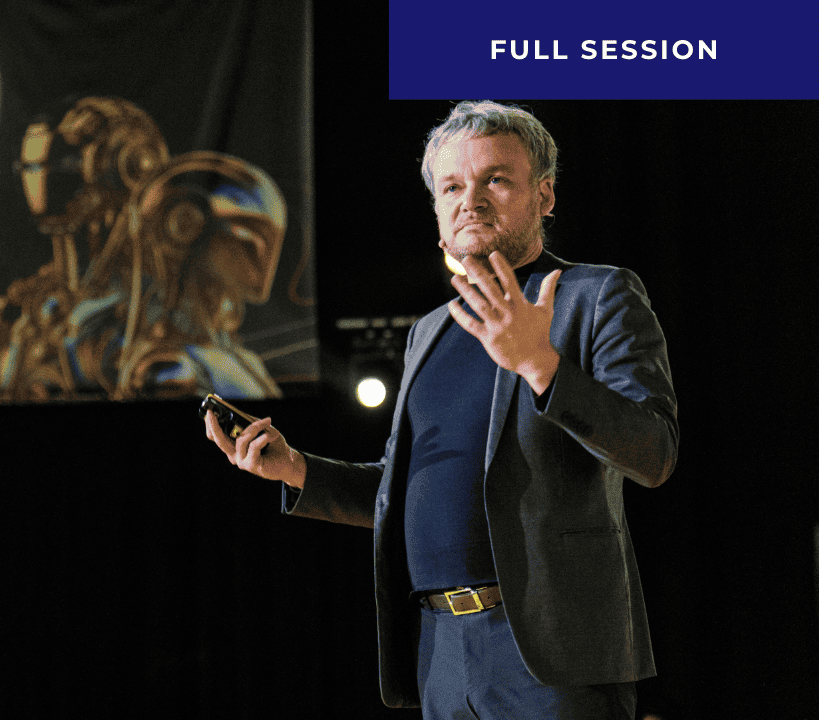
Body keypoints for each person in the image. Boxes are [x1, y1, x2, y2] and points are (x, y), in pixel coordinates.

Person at [203, 101, 679, 719]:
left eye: (495, 179)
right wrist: (295, 469)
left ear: (544, 196)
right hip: (441, 655)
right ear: (436, 214)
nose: (470, 201)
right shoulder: (429, 332)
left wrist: (541, 365)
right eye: (452, 186)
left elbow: (654, 452)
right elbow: (401, 493)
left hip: (553, 658)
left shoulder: (597, 295)